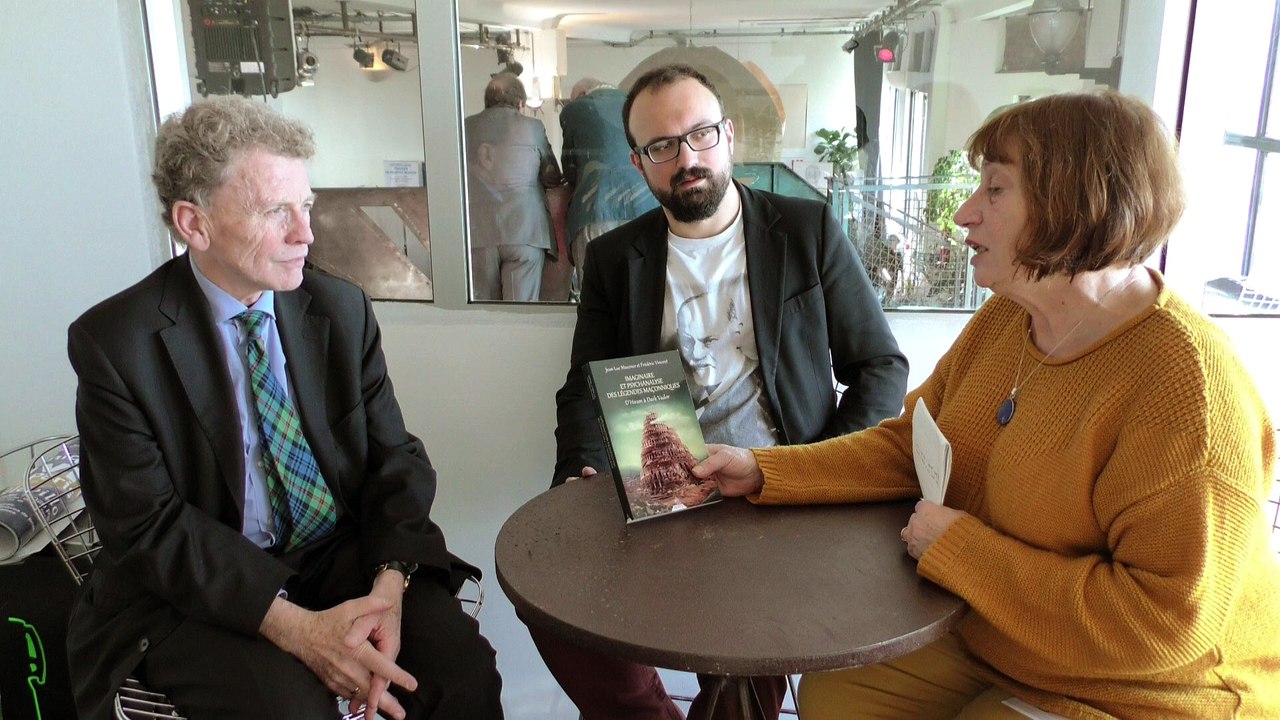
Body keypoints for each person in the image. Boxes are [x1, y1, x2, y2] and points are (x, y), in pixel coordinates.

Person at [694, 91, 1280, 719]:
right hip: (1001, 634)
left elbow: (1164, 624)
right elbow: (909, 446)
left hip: (1148, 690)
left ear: (1077, 205)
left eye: (995, 190)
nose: (964, 214)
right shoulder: (1009, 316)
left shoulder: (1187, 386)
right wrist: (764, 469)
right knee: (836, 693)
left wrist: (961, 551)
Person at [65, 97, 503, 720]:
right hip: (196, 587)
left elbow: (395, 458)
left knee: (460, 672)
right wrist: (296, 629)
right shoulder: (115, 343)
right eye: (276, 213)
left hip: (340, 556)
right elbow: (145, 527)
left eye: (307, 206)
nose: (306, 234)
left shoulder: (339, 309)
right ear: (194, 223)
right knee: (293, 709)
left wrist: (389, 584)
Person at [537, 64, 910, 720]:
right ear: (639, 163)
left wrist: (820, 472)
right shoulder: (616, 257)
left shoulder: (805, 230)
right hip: (662, 481)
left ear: (729, 135)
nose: (687, 158)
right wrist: (580, 470)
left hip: (778, 485)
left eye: (701, 134)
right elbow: (585, 385)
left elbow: (880, 366)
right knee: (548, 593)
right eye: (662, 147)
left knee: (745, 658)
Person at [465, 72, 563, 301]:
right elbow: (552, 176)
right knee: (521, 312)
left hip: (478, 232)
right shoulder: (533, 127)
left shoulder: (465, 127)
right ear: (520, 104)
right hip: (525, 229)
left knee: (483, 312)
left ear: (486, 102)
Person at [560, 77, 659, 302]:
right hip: (646, 208)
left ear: (581, 95)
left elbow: (570, 169)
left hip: (594, 209)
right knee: (645, 293)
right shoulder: (638, 105)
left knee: (596, 296)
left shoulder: (576, 109)